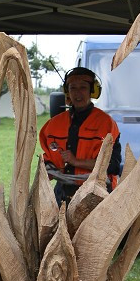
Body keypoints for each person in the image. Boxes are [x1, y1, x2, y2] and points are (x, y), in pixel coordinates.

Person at [39, 67, 121, 205]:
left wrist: (76, 161)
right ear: (67, 92)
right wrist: (48, 171)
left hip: (97, 194)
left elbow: (112, 166)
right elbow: (48, 162)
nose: (78, 93)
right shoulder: (53, 125)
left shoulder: (106, 124)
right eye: (73, 88)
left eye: (83, 87)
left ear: (92, 91)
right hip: (63, 194)